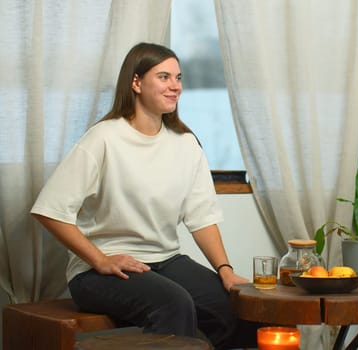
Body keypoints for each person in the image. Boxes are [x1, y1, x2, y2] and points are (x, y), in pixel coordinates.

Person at [31, 42, 257, 349]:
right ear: (136, 83)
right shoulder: (104, 138)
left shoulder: (186, 143)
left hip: (166, 260)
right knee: (173, 304)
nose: (174, 86)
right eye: (164, 77)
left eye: (178, 78)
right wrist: (99, 260)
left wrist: (226, 272)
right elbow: (49, 209)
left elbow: (201, 217)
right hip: (98, 271)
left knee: (236, 308)